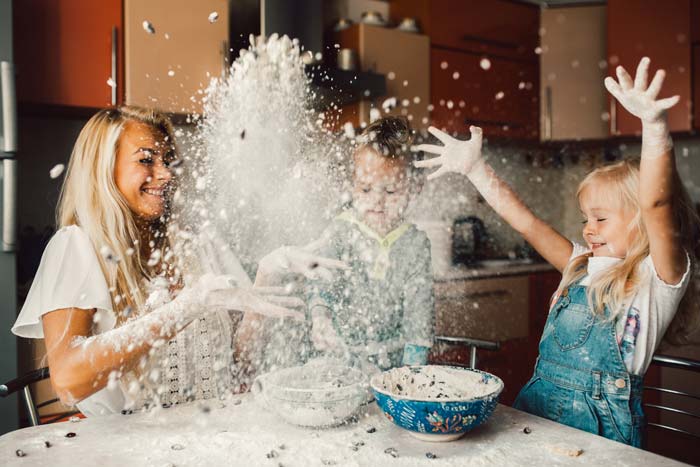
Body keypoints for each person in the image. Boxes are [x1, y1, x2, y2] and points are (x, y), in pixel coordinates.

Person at [413, 57, 700, 447]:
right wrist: (477, 170)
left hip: (604, 435)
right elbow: (528, 224)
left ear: (641, 223)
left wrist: (654, 127)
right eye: (586, 218)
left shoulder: (658, 279)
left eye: (600, 218)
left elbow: (657, 206)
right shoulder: (580, 264)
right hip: (536, 414)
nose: (588, 228)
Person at [10, 106, 328, 416]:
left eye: (168, 161)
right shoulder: (77, 248)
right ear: (104, 170)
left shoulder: (198, 243)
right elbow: (68, 382)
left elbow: (240, 368)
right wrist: (187, 307)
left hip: (211, 434)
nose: (165, 174)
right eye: (146, 160)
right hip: (125, 448)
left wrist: (266, 275)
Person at [308, 116, 435, 372]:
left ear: (414, 187)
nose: (377, 201)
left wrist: (412, 373)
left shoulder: (415, 244)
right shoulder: (340, 230)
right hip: (338, 361)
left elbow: (419, 315)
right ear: (353, 186)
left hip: (393, 366)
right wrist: (320, 318)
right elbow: (321, 285)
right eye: (366, 190)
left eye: (390, 192)